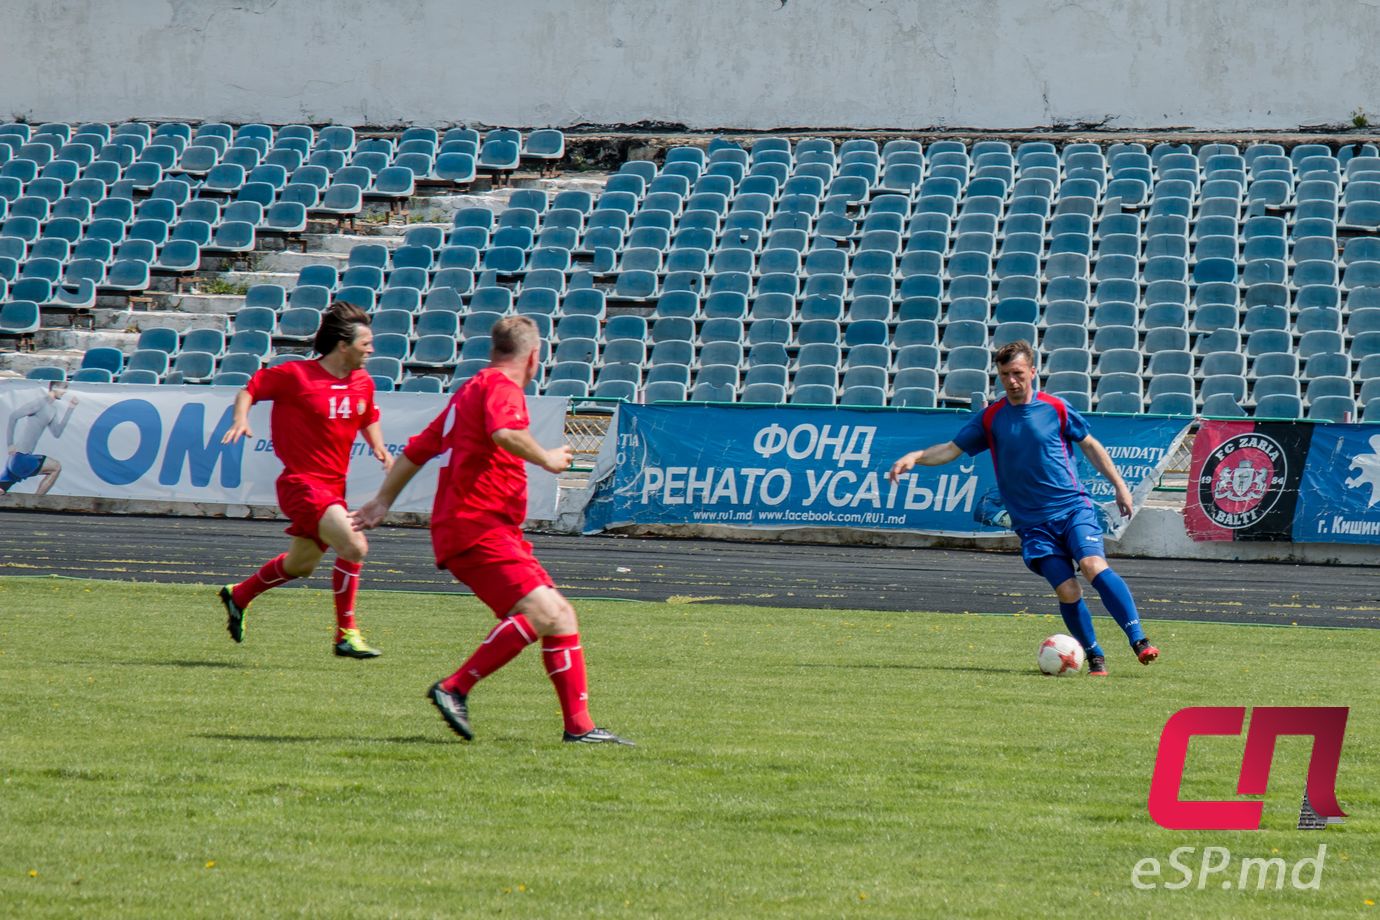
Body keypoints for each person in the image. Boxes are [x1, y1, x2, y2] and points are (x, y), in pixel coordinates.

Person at [352, 315, 632, 745]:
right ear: (534, 357)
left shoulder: (470, 390)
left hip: (479, 527)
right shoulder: (502, 388)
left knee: (560, 618)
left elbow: (418, 450)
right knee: (540, 614)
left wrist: (383, 501)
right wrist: (548, 459)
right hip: (478, 527)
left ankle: (580, 728)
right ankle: (455, 687)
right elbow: (505, 433)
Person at [889, 340, 1159, 676]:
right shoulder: (991, 419)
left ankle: (1138, 640)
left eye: (1017, 373)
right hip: (1033, 526)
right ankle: (1094, 655)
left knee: (1092, 565)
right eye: (1004, 375)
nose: (1011, 381)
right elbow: (950, 450)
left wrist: (1121, 487)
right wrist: (915, 457)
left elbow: (1090, 445)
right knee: (1067, 588)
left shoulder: (1056, 409)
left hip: (1073, 509)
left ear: (1032, 372)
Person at [218, 301, 393, 658]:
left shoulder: (363, 382)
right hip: (301, 484)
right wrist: (241, 418)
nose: (371, 350)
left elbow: (367, 414)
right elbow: (249, 389)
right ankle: (346, 633)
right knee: (356, 546)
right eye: (365, 344)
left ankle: (239, 595)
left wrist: (378, 446)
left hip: (333, 489)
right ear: (343, 346)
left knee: (301, 565)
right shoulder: (295, 376)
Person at [1, 381, 77, 495]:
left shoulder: (52, 409)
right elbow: (13, 417)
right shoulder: (39, 403)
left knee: (2, 488)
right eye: (63, 388)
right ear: (54, 388)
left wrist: (70, 408)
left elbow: (57, 432)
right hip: (21, 457)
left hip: (17, 459)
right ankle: (36, 502)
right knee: (56, 467)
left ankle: (35, 503)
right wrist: (10, 444)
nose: (65, 392)